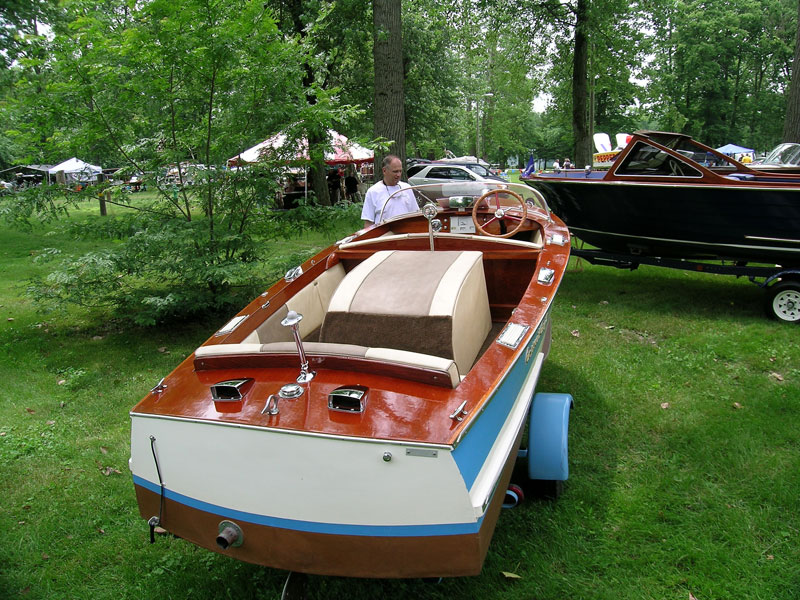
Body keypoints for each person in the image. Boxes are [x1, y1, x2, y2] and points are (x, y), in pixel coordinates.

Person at [361, 155, 418, 227]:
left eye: (400, 171)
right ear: (384, 171)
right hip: (384, 235)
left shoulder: (406, 188)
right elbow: (368, 222)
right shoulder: (373, 191)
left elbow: (415, 215)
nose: (398, 175)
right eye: (395, 171)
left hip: (405, 234)